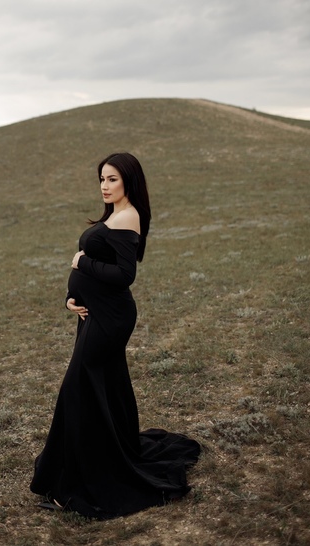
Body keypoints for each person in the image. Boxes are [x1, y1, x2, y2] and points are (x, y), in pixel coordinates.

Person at [30, 152, 200, 519]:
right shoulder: (113, 215)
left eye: (112, 180)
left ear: (128, 182)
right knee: (106, 386)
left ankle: (77, 483)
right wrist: (71, 299)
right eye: (102, 179)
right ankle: (107, 455)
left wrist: (82, 262)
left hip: (111, 319)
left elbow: (125, 275)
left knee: (77, 389)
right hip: (95, 314)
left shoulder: (128, 217)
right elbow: (98, 273)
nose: (104, 186)